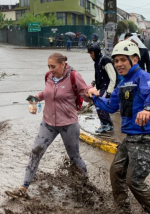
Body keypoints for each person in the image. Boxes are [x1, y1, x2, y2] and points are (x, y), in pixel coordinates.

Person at [87, 41, 150, 214]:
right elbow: (111, 106)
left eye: (123, 60)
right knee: (116, 173)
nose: (119, 64)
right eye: (116, 61)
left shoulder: (146, 78)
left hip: (148, 137)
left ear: (135, 60)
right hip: (131, 137)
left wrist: (147, 110)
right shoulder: (123, 83)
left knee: (134, 181)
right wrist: (94, 98)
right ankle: (123, 213)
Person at [5, 53, 91, 199]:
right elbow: (46, 93)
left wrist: (91, 92)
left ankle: (86, 188)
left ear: (63, 64)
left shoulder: (74, 76)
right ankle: (23, 189)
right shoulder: (49, 76)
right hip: (48, 123)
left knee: (74, 157)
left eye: (53, 66)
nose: (50, 69)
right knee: (35, 152)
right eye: (48, 67)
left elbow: (85, 94)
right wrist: (32, 100)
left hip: (68, 124)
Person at [86, 42, 117, 133]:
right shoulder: (97, 61)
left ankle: (108, 125)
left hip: (107, 87)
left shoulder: (105, 60)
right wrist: (93, 83)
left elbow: (113, 77)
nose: (91, 56)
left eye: (91, 53)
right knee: (98, 105)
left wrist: (109, 92)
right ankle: (105, 124)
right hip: (102, 87)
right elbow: (97, 74)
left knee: (101, 105)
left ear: (96, 52)